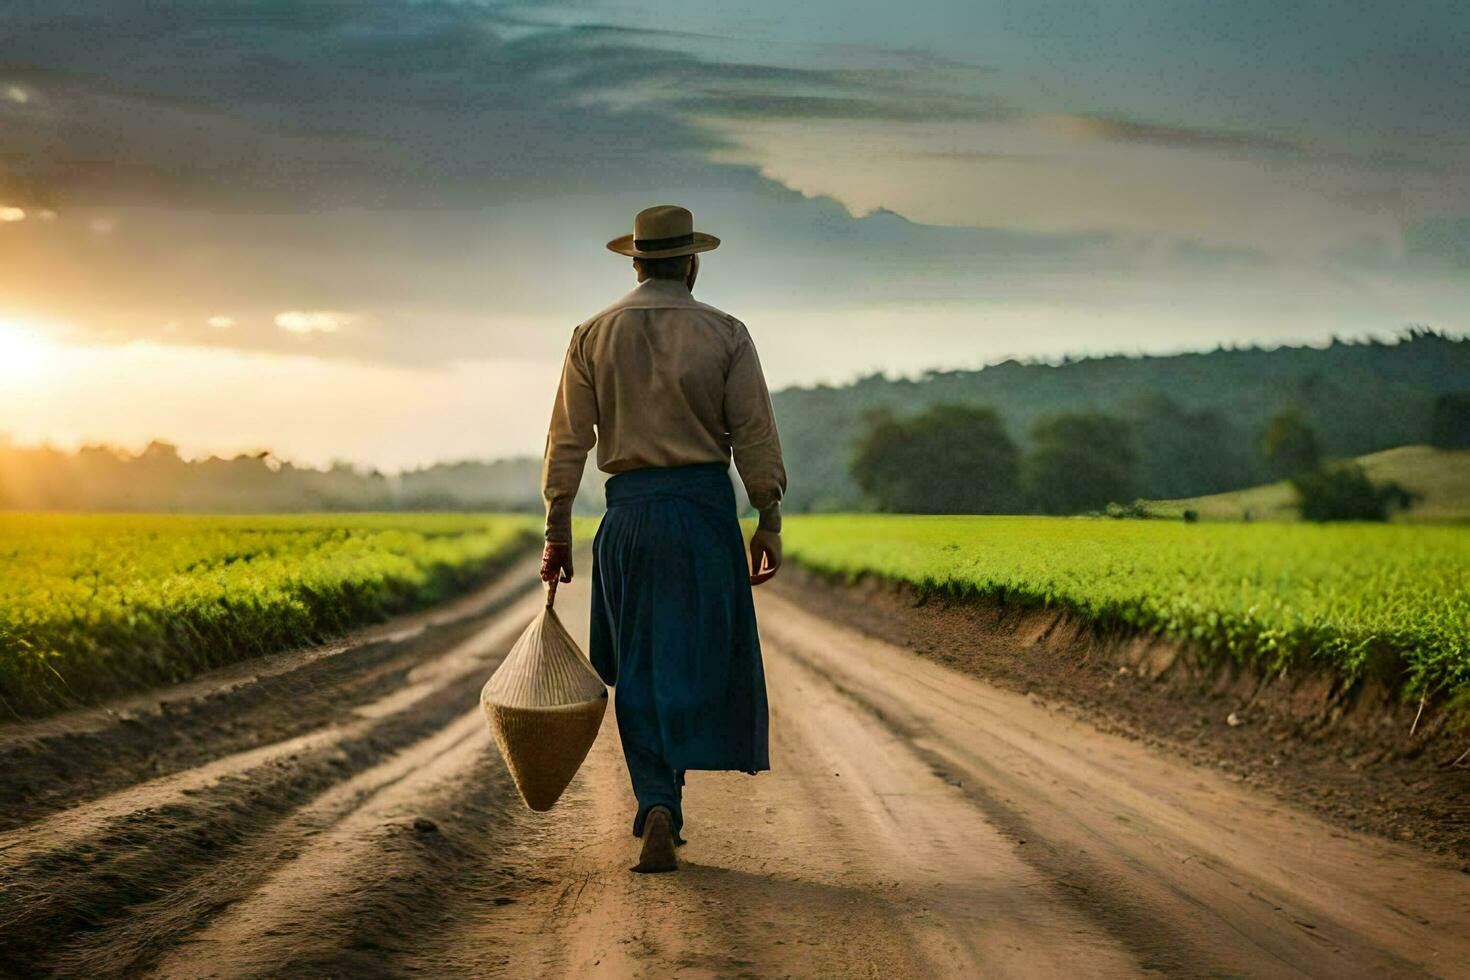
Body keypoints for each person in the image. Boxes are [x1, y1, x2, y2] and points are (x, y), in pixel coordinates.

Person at [539, 204, 786, 874]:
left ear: (636, 261)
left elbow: (568, 443)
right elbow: (754, 435)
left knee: (638, 667)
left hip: (629, 518)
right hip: (704, 518)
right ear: (692, 263)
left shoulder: (592, 334)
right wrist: (768, 516)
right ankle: (669, 782)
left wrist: (557, 530)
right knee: (698, 654)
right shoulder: (726, 332)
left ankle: (656, 798)